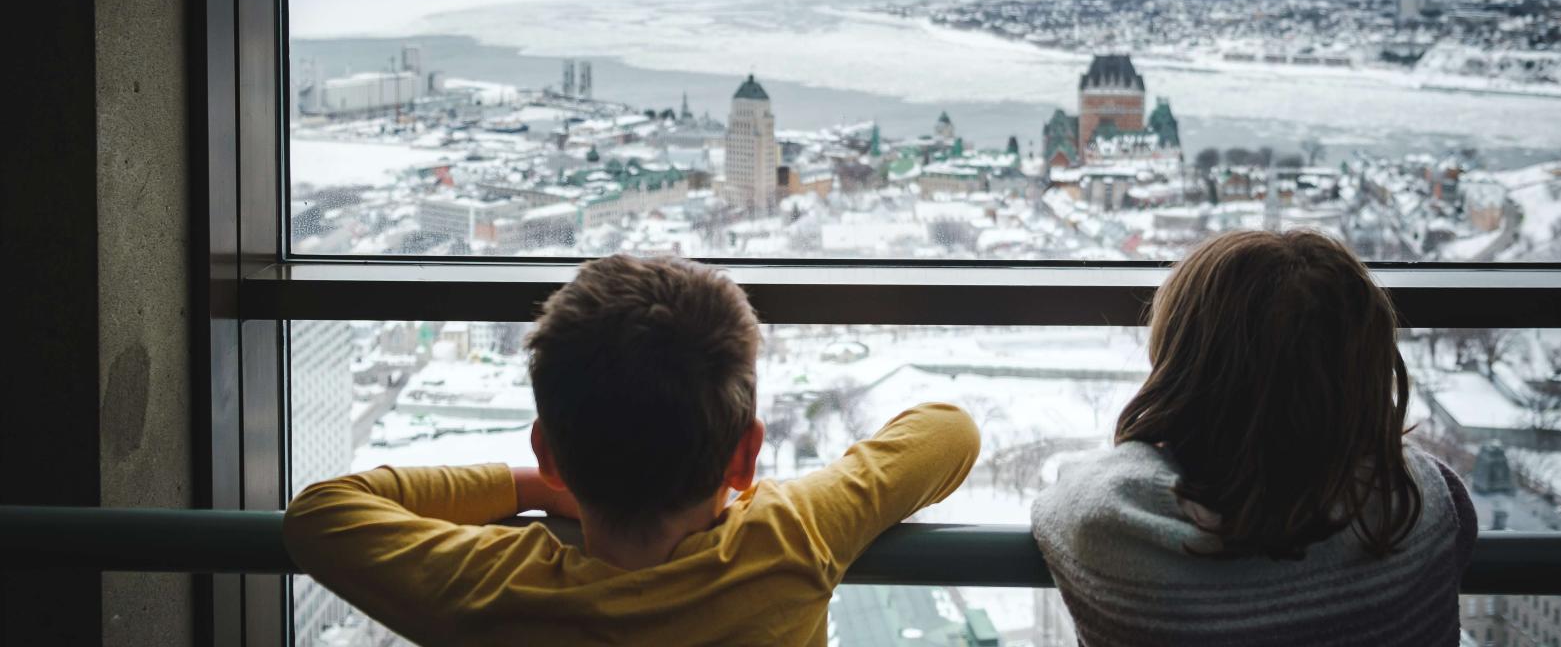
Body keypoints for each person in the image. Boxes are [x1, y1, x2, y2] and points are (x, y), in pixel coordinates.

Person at [284, 255, 980, 646]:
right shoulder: (792, 538)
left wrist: (528, 487)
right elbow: (951, 433)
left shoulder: (494, 589)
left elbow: (321, 515)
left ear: (550, 452)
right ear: (743, 458)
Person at [1031, 230, 1476, 646]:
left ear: (1183, 367)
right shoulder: (1423, 501)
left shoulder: (1110, 525)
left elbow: (1065, 501)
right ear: (1367, 369)